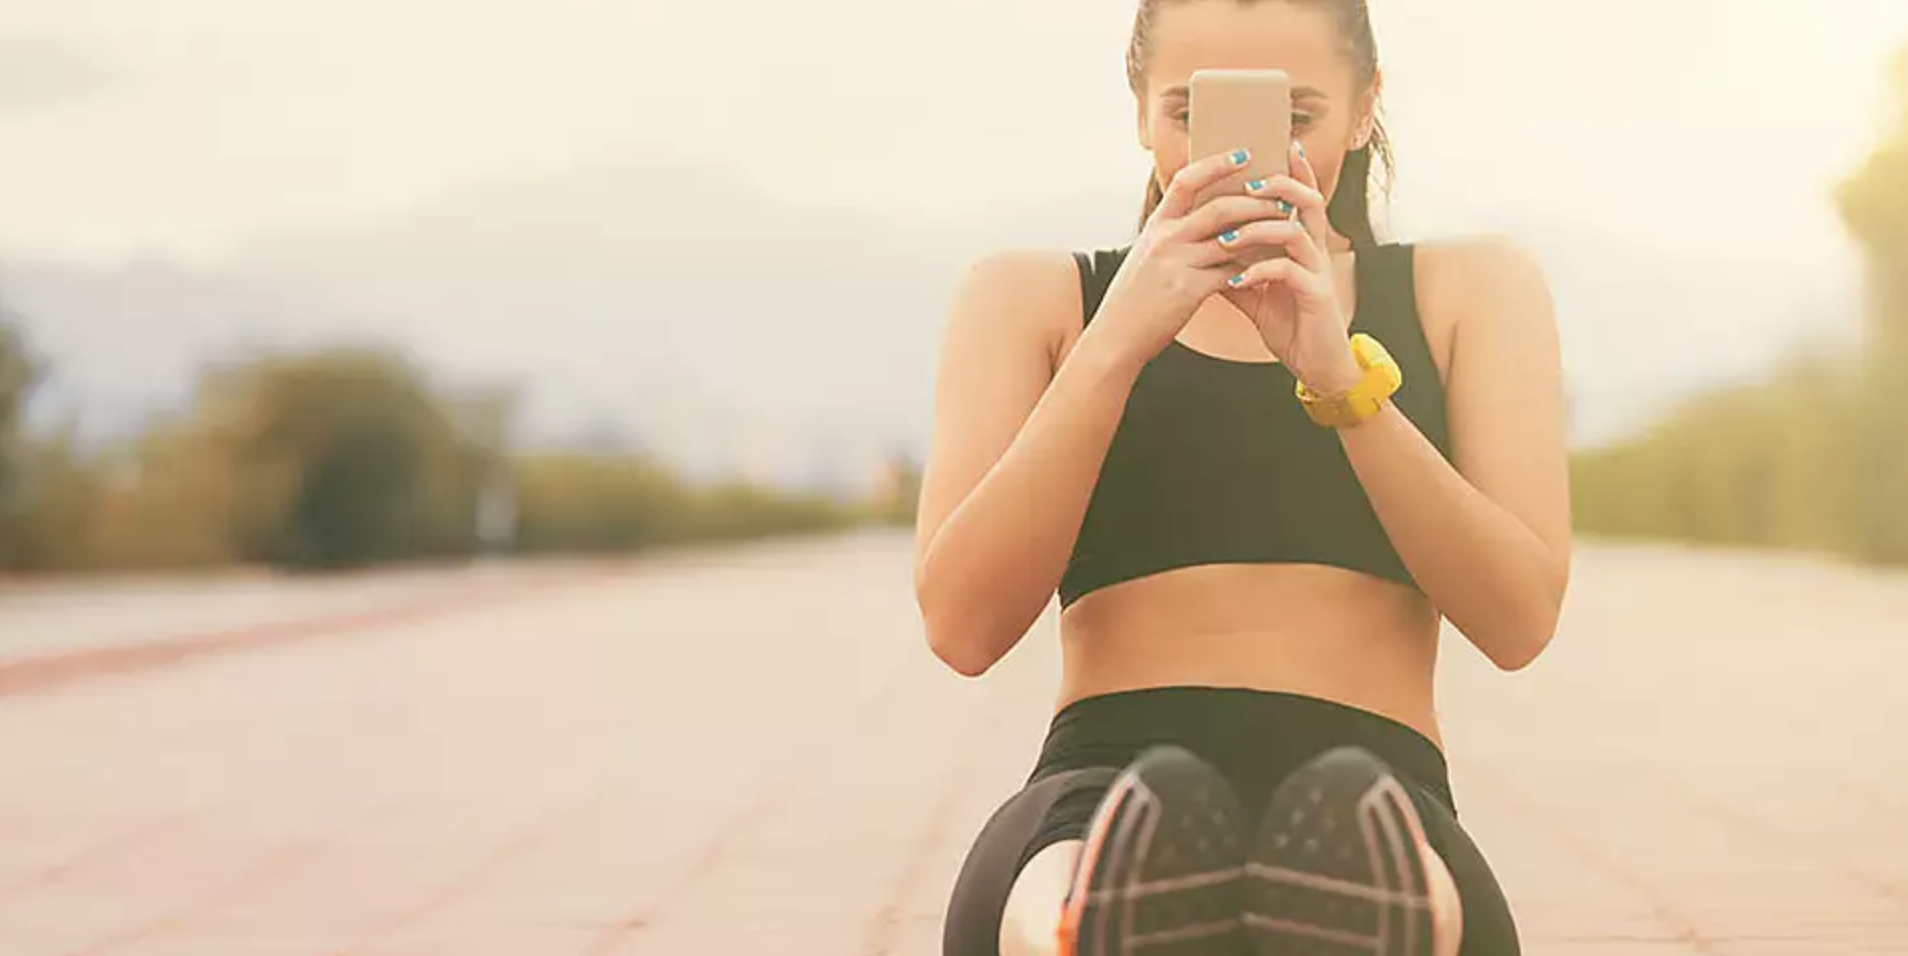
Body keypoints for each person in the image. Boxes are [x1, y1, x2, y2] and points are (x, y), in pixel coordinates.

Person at [913, 0, 1571, 953]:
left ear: (1365, 107)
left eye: (1296, 118)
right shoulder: (1032, 298)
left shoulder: (1469, 289)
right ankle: (1088, 921)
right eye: (1190, 115)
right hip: (1100, 781)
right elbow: (961, 628)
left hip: (1379, 793)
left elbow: (1519, 620)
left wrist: (1338, 377)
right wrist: (1118, 342)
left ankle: (1378, 910)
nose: (1236, 160)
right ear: (1139, 109)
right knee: (1076, 860)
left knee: (1376, 838)